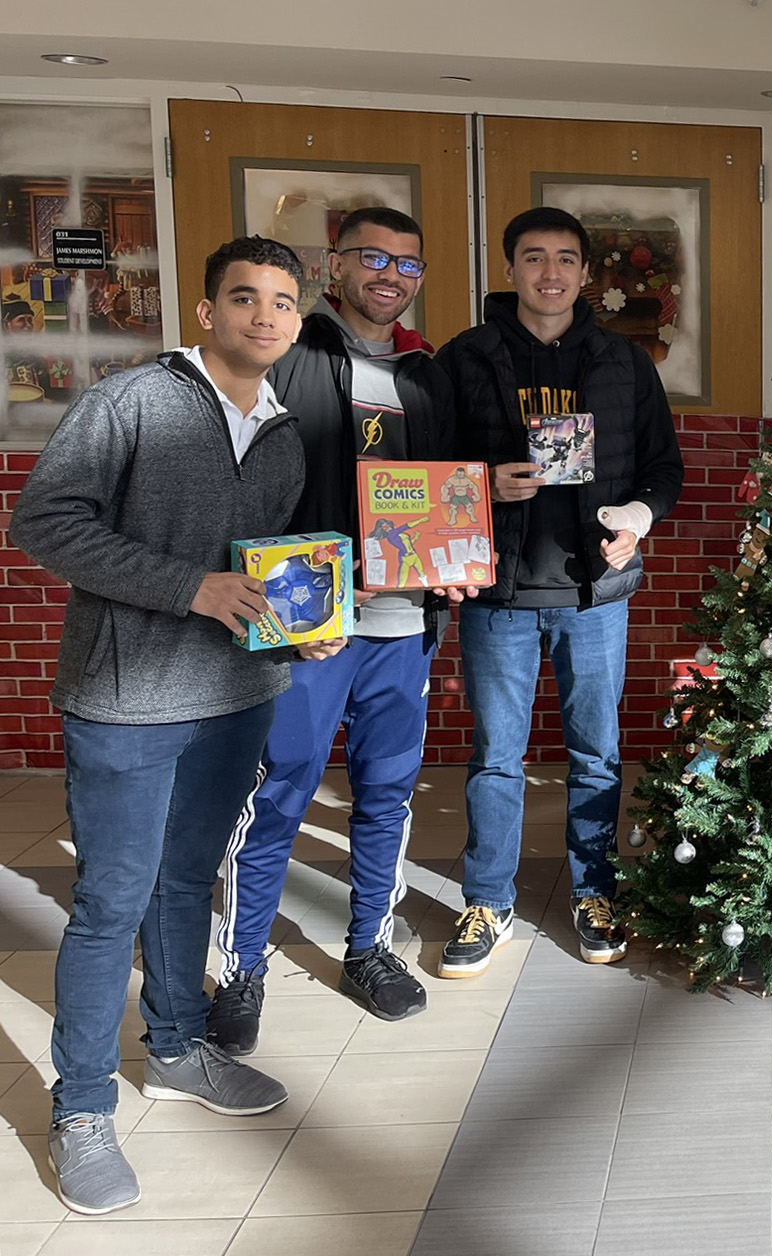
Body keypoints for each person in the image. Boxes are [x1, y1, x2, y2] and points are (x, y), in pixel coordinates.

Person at [12, 237, 343, 1215]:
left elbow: (262, 566)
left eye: (281, 302)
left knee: (188, 881)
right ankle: (81, 1108)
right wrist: (190, 587)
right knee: (111, 901)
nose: (264, 316)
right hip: (126, 699)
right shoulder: (131, 403)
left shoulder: (283, 429)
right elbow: (44, 521)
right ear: (206, 311)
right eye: (244, 297)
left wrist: (301, 629)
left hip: (235, 697)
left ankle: (176, 1048)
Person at [207, 207, 464, 1054]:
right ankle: (241, 968)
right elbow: (245, 488)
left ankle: (369, 948)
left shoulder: (428, 372)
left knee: (386, 793)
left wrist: (459, 553)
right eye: (372, 258)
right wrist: (284, 616)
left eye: (407, 264)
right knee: (279, 791)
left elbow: (444, 492)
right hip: (309, 629)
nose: (389, 276)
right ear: (336, 265)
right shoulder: (290, 351)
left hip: (403, 622)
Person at [435, 206, 682, 976]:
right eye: (535, 257)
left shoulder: (624, 361)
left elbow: (662, 468)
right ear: (509, 269)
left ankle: (594, 891)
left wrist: (636, 519)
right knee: (495, 758)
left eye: (566, 259)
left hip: (595, 593)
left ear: (585, 274)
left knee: (598, 755)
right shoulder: (463, 358)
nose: (551, 273)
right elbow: (424, 471)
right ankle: (488, 901)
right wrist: (481, 486)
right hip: (498, 594)